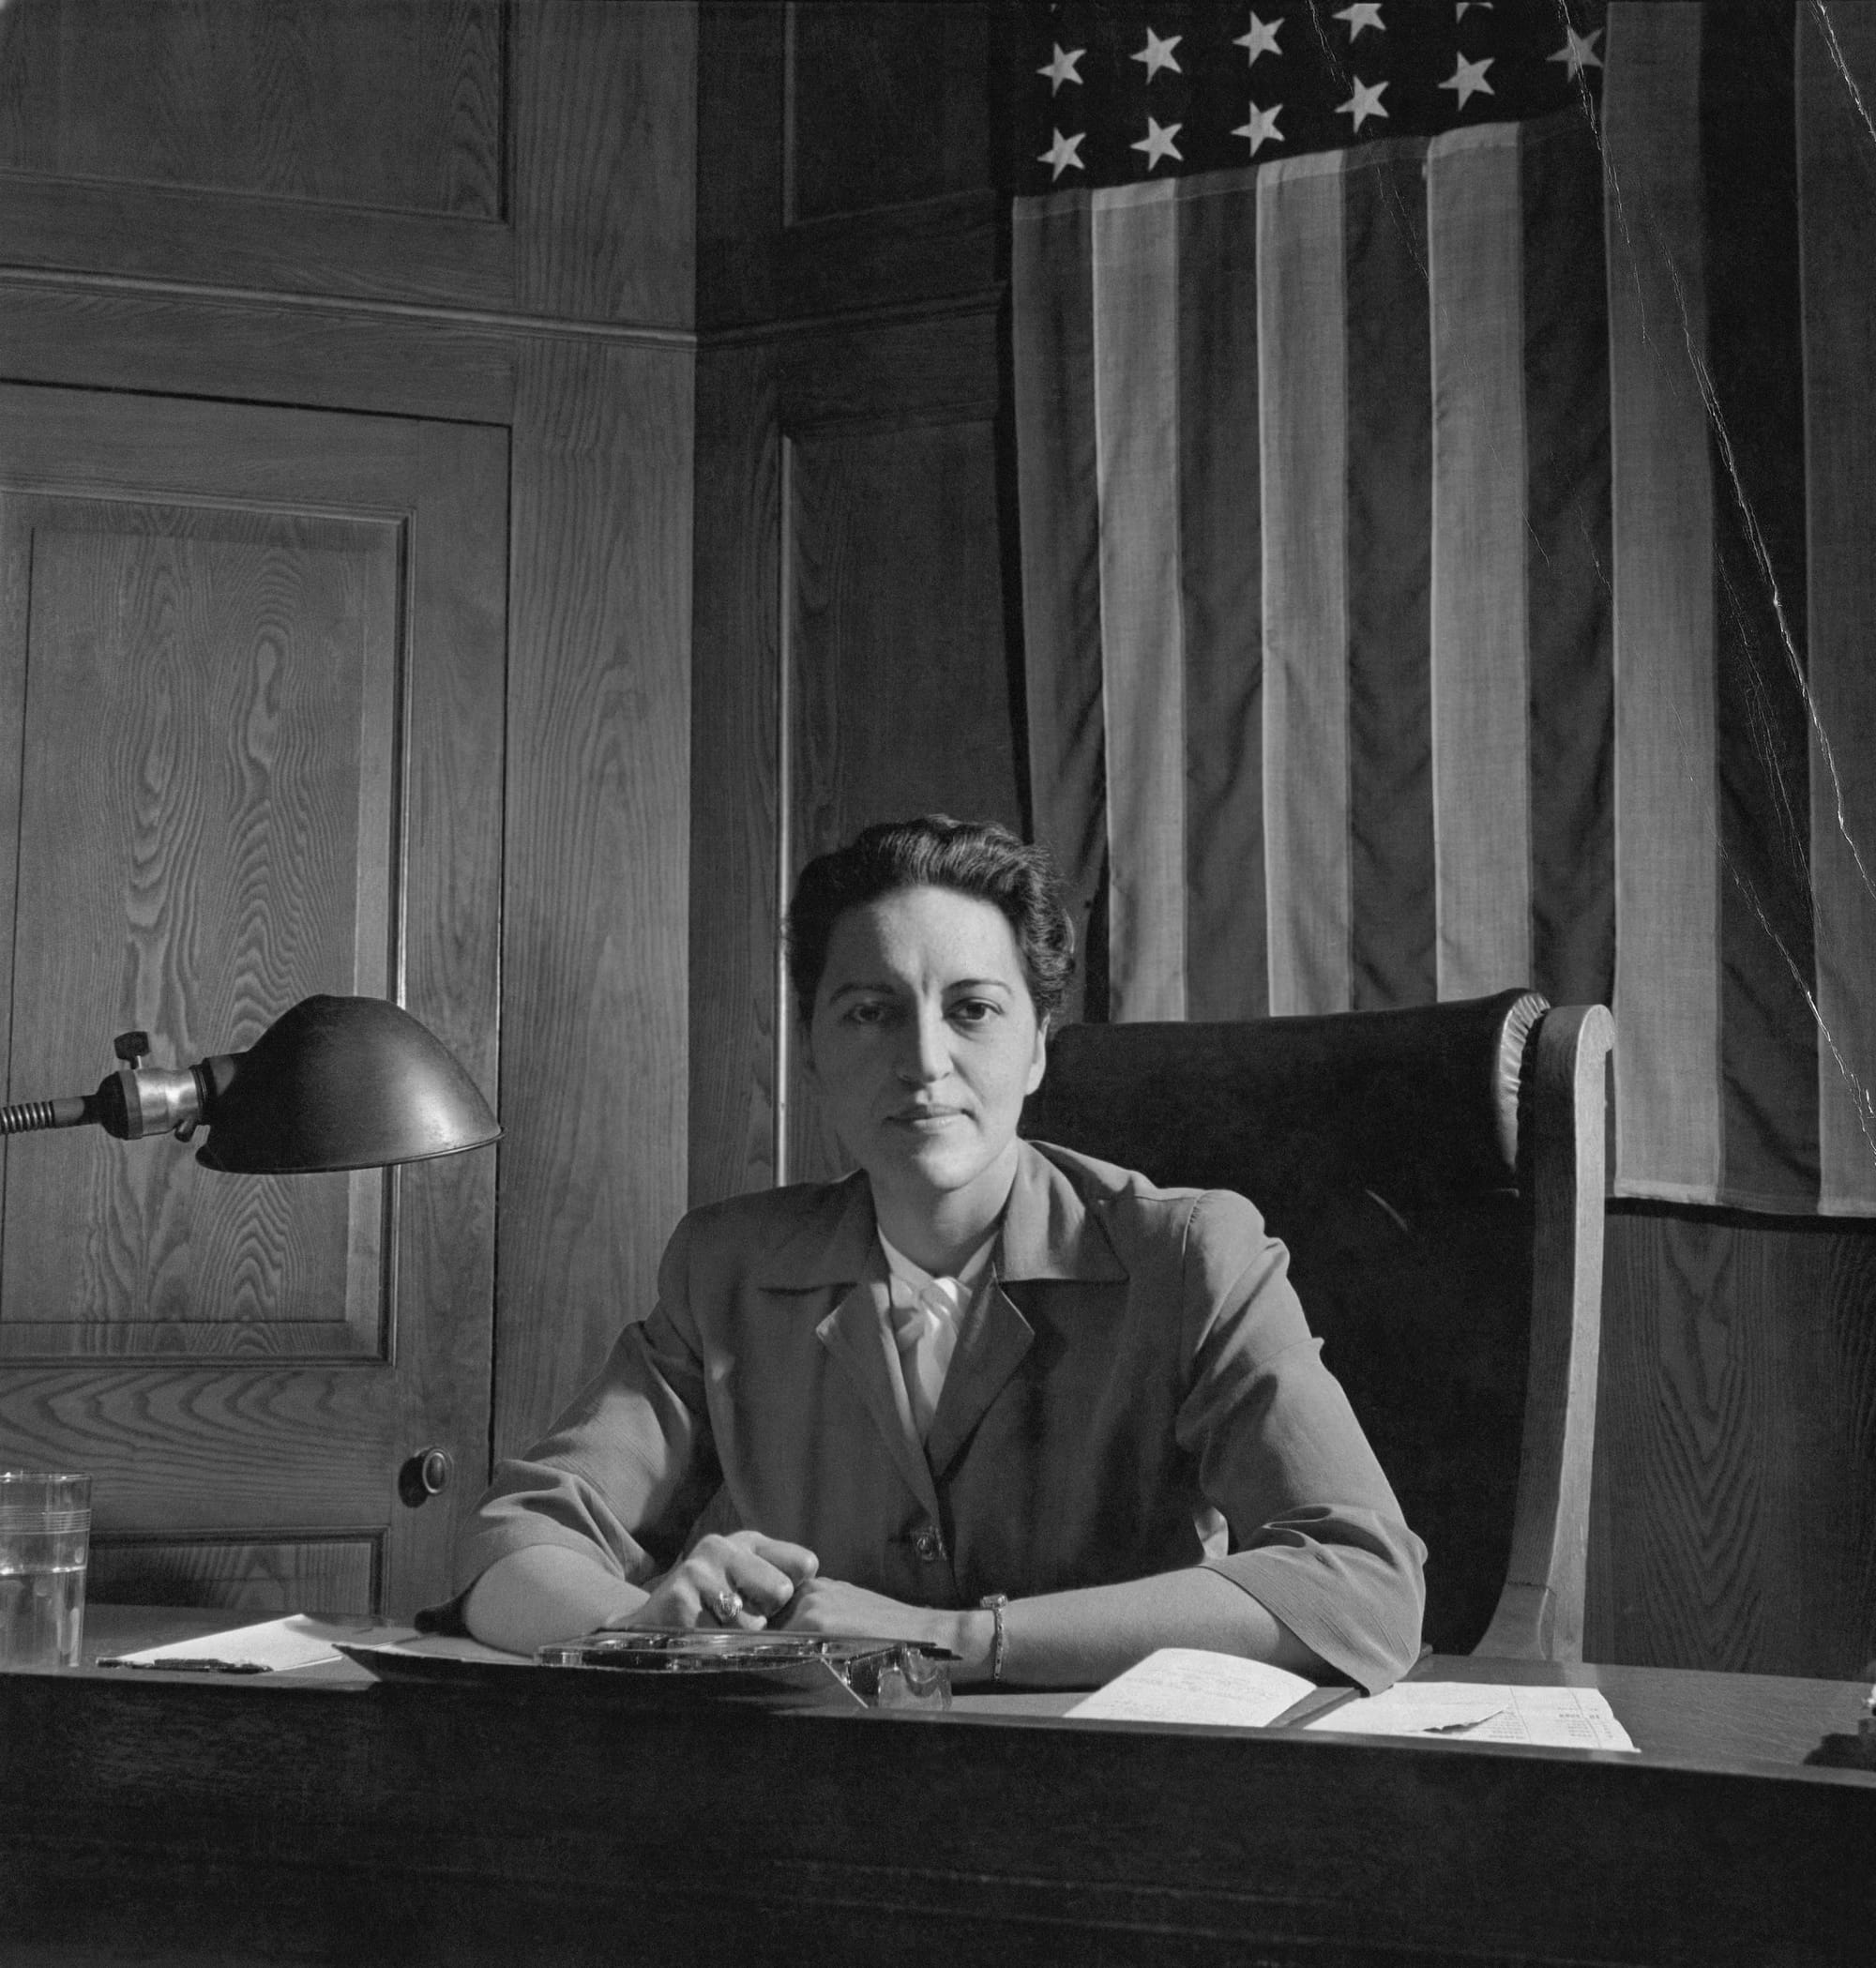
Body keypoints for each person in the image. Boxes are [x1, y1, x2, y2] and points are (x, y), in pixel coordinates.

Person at [455, 816, 1425, 1690]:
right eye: (869, 1012)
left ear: (1039, 1046)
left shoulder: (1191, 1254)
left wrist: (946, 1636)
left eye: (971, 1010)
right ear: (811, 1050)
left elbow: (1360, 1584)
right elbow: (514, 1545)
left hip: (1113, 1801)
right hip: (807, 1802)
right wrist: (642, 1629)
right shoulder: (728, 1267)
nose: (922, 1060)